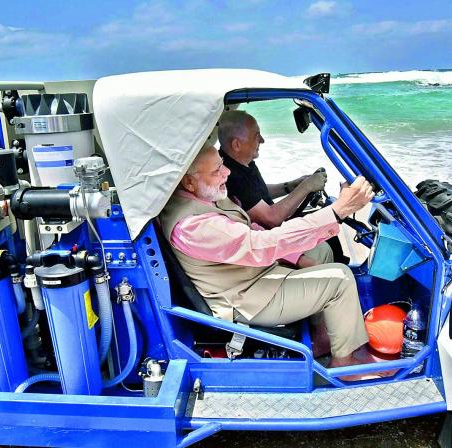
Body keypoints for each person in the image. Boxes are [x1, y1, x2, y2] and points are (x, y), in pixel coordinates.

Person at [159, 143, 381, 381]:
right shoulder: (192, 226)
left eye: (222, 165)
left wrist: (298, 256)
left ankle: (321, 341)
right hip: (243, 297)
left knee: (322, 252)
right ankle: (344, 365)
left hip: (247, 275)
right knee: (340, 278)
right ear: (188, 182)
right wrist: (337, 211)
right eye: (216, 171)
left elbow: (249, 230)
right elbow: (258, 245)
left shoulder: (203, 197)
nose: (227, 173)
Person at [218, 110, 348, 265]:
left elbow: (256, 194)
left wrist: (289, 186)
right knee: (327, 228)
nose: (262, 140)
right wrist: (306, 187)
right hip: (268, 238)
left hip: (271, 230)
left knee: (327, 225)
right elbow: (271, 219)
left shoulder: (242, 162)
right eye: (256, 136)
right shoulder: (231, 176)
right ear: (236, 144)